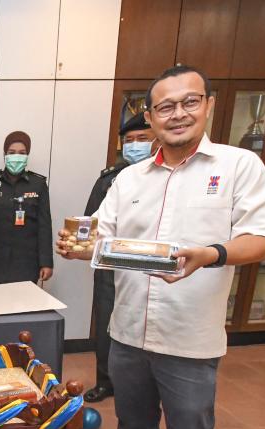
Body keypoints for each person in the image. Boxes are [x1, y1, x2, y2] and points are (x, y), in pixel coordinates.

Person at [57, 65, 265, 429]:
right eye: (165, 106)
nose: (177, 114)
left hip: (190, 335)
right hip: (128, 328)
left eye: (189, 102)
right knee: (133, 425)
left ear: (209, 106)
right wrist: (78, 244)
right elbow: (102, 234)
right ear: (150, 117)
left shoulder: (239, 165)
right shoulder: (129, 178)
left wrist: (211, 254)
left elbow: (262, 239)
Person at [82, 113, 158, 403]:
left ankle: (141, 384)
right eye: (129, 141)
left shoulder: (167, 179)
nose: (134, 146)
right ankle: (106, 381)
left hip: (153, 268)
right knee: (105, 325)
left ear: (156, 140)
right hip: (112, 267)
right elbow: (89, 223)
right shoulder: (110, 179)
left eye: (142, 139)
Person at [0, 131, 53, 284]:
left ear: (27, 155)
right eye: (12, 152)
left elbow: (44, 226)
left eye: (22, 153)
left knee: (25, 305)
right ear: (5, 154)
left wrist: (46, 262)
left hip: (27, 263)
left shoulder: (38, 184)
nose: (16, 156)